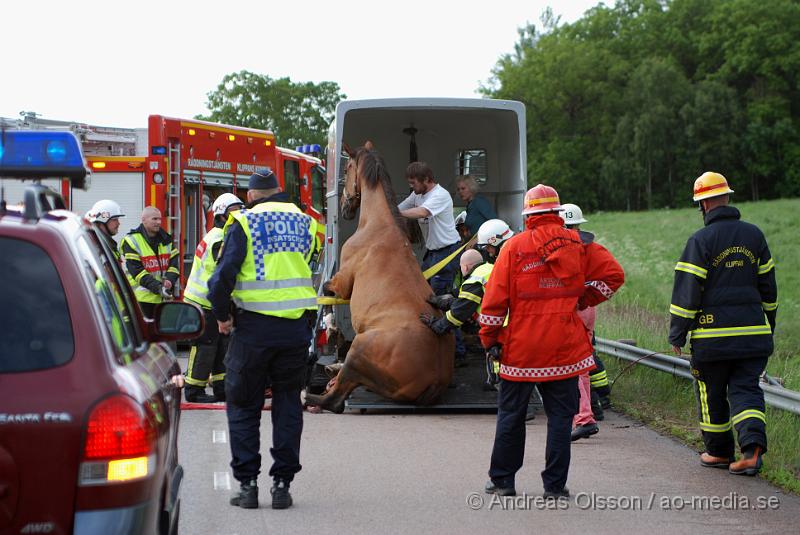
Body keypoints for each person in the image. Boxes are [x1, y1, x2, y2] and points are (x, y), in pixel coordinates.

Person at [480, 184, 624, 499]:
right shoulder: (579, 244)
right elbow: (614, 276)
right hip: (565, 348)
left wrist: (490, 339)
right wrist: (583, 299)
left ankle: (503, 481)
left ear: (528, 214)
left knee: (511, 415)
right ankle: (555, 487)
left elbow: (493, 303)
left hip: (521, 349)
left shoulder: (513, 248)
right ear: (557, 213)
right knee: (560, 418)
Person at [208, 170, 320, 510]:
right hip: (295, 331)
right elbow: (309, 264)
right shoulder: (306, 223)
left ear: (251, 194)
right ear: (279, 191)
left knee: (243, 406)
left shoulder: (243, 222)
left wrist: (223, 316)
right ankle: (282, 485)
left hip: (253, 331)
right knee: (287, 405)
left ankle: (248, 486)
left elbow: (221, 279)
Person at [669, 172, 777, 476]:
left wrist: (677, 332)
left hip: (713, 339)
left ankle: (718, 452)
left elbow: (686, 293)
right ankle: (752, 450)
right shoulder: (755, 236)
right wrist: (766, 324)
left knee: (711, 390)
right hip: (753, 335)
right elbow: (769, 289)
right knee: (746, 390)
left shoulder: (700, 240)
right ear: (727, 198)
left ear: (703, 204)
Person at [399, 161, 465, 361]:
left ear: (426, 180)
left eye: (413, 183)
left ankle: (457, 352)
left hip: (447, 253)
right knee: (424, 295)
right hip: (432, 253)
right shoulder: (417, 194)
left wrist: (395, 214)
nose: (411, 187)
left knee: (441, 303)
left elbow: (422, 212)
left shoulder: (440, 195)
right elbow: (400, 207)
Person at [182, 193, 244, 403]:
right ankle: (193, 390)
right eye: (233, 211)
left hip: (210, 301)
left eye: (240, 210)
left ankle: (221, 389)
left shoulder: (221, 235)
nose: (238, 215)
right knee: (205, 346)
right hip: (202, 302)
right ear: (221, 215)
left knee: (221, 347)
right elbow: (226, 272)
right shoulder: (220, 238)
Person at [559, 203, 610, 440]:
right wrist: (591, 296)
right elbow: (612, 275)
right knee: (583, 362)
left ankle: (583, 416)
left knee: (573, 364)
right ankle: (589, 411)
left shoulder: (560, 248)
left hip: (571, 309)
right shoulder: (590, 248)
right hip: (587, 307)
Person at [121, 206, 180, 319]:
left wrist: (169, 280)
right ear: (144, 220)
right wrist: (158, 288)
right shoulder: (131, 241)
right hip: (140, 300)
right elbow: (137, 272)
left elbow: (174, 266)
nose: (158, 222)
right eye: (154, 219)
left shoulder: (166, 239)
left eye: (160, 219)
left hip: (162, 299)